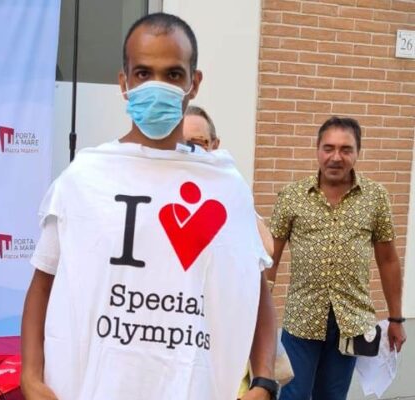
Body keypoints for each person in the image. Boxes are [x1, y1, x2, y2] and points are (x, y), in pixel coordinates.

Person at [21, 13, 278, 400]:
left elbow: (255, 292)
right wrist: (30, 376)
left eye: (173, 74)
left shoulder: (226, 188)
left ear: (194, 83)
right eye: (143, 73)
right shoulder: (84, 179)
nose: (157, 87)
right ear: (123, 82)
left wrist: (264, 381)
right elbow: (42, 285)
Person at [266, 116, 407, 400]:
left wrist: (396, 318)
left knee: (331, 396)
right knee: (292, 395)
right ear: (317, 149)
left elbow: (388, 260)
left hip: (350, 322)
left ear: (358, 152)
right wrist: (260, 314)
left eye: (346, 149)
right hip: (302, 319)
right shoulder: (292, 196)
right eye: (328, 148)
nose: (336, 157)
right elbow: (271, 258)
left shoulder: (375, 197)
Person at [182, 107, 275, 398]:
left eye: (197, 143)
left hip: (222, 358)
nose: (189, 151)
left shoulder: (230, 194)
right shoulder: (153, 191)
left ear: (215, 145)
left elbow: (266, 250)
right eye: (181, 144)